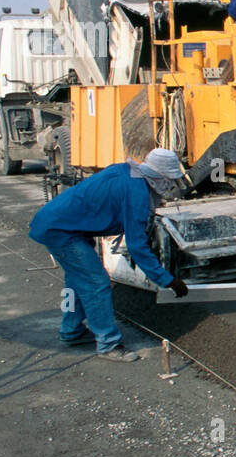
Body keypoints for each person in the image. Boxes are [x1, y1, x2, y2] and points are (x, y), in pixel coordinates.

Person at [29, 148, 189, 361]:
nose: (170, 187)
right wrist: (167, 280)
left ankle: (71, 331)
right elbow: (137, 246)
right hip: (61, 231)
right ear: (159, 178)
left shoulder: (127, 171)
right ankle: (108, 344)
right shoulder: (137, 193)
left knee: (77, 280)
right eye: (170, 181)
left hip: (62, 224)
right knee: (96, 282)